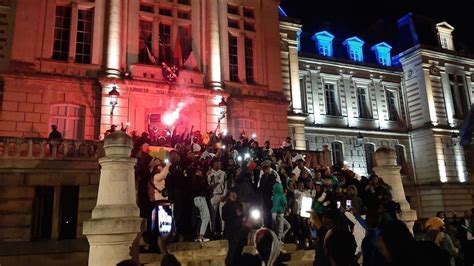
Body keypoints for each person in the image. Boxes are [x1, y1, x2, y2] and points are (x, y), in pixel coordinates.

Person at [148, 159, 171, 251]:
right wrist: (168, 164)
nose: (162, 168)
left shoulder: (155, 178)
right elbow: (164, 174)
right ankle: (159, 246)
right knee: (162, 226)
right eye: (159, 167)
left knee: (159, 226)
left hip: (159, 202)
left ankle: (158, 245)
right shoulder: (156, 177)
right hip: (159, 202)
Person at [222, 191, 244, 265]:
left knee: (233, 247)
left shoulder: (225, 206)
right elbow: (241, 215)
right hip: (235, 229)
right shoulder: (237, 205)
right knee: (234, 248)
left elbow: (224, 217)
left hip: (231, 229)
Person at [190, 168, 211, 242]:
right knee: (206, 217)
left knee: (202, 218)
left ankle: (198, 235)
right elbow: (203, 187)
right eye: (200, 171)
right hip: (200, 199)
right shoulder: (198, 178)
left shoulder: (193, 179)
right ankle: (201, 236)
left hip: (196, 199)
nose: (201, 173)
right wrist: (206, 176)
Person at [207, 160, 227, 237]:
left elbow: (225, 185)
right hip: (213, 195)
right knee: (213, 215)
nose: (218, 164)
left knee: (222, 215)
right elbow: (209, 184)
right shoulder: (210, 173)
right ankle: (213, 231)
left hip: (221, 195)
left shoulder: (223, 173)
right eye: (216, 163)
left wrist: (224, 195)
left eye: (219, 163)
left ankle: (222, 231)